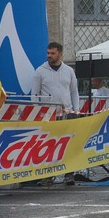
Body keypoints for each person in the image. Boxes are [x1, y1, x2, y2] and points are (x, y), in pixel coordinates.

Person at [32, 42, 80, 186]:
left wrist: (75, 110)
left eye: (52, 53)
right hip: (48, 116)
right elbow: (35, 95)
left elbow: (74, 92)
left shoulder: (69, 71)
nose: (49, 56)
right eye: (48, 53)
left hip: (67, 113)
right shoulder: (40, 71)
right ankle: (48, 176)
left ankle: (69, 174)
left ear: (60, 53)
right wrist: (37, 113)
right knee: (49, 145)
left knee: (68, 145)